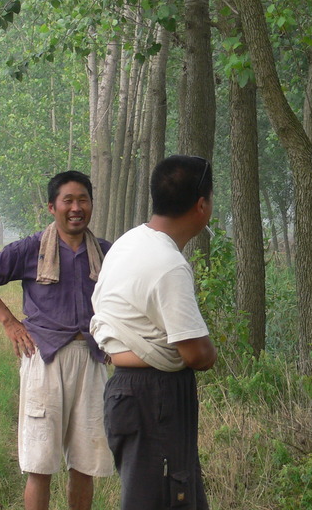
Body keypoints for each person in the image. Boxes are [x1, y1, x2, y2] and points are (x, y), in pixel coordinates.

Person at [0, 170, 114, 510]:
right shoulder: (31, 248)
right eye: (68, 200)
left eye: (83, 200)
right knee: (40, 463)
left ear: (91, 205)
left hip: (91, 360)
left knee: (85, 464)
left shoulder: (106, 252)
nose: (76, 208)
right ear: (52, 207)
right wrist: (10, 322)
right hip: (44, 359)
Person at [90, 154, 217, 510]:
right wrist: (209, 351)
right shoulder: (169, 266)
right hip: (155, 397)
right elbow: (195, 354)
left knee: (167, 494)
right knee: (166, 498)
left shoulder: (128, 243)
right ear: (202, 205)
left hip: (124, 390)